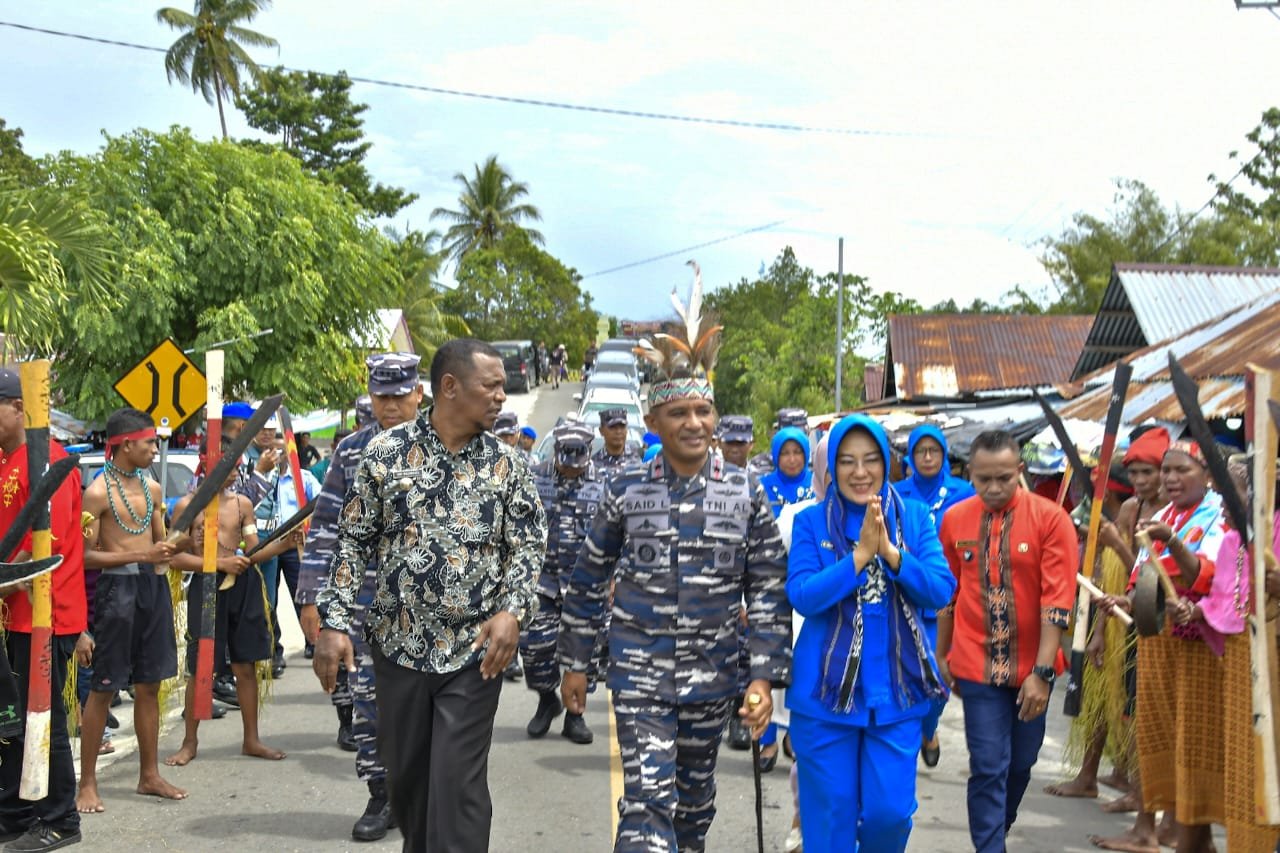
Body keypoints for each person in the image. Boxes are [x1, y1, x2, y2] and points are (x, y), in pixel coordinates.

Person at [559, 290, 790, 853]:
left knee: (693, 807)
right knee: (647, 804)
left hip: (714, 676)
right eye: (680, 413)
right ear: (653, 418)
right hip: (639, 673)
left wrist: (762, 676)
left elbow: (766, 588)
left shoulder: (744, 492)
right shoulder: (623, 490)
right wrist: (575, 664)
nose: (695, 422)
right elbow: (588, 581)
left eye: (703, 411)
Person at [313, 338, 546, 853]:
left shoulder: (508, 467)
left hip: (473, 655)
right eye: (491, 386)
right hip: (398, 650)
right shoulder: (383, 454)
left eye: (502, 387)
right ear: (449, 387)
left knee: (457, 786)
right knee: (412, 789)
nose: (501, 397)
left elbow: (528, 546)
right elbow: (352, 540)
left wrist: (512, 610)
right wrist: (332, 622)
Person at [786, 415, 954, 852]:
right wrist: (858, 557)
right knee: (830, 820)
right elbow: (803, 595)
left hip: (896, 696)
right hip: (825, 698)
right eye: (846, 462)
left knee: (891, 815)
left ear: (886, 463)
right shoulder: (810, 523)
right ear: (831, 469)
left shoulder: (915, 518)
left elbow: (939, 589)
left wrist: (892, 557)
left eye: (870, 460)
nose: (859, 473)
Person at [295, 353, 423, 843]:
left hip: (431, 611)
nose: (389, 407)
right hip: (364, 603)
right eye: (380, 397)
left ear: (417, 393)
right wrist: (312, 600)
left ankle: (421, 794)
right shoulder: (350, 452)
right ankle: (380, 793)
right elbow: (325, 526)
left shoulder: (444, 447)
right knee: (369, 704)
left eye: (398, 396)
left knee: (427, 710)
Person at [936, 429, 1077, 853]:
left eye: (1003, 478)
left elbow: (1057, 600)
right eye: (984, 480)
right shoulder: (955, 519)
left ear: (1019, 471)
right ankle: (990, 847)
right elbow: (949, 593)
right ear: (971, 476)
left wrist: (1041, 672)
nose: (994, 488)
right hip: (976, 664)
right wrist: (943, 651)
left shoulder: (1052, 520)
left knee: (1020, 765)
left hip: (1035, 665)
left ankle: (997, 832)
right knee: (988, 765)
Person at [1099, 440, 1229, 853]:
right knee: (1157, 737)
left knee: (1192, 741)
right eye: (1167, 470)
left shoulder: (1218, 518)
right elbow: (1145, 579)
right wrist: (1126, 599)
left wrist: (1172, 543)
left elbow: (1206, 579)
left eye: (1181, 470)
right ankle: (1161, 831)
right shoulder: (1166, 514)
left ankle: (1192, 836)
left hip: (1196, 649)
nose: (1171, 479)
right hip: (1159, 642)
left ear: (1207, 473)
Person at [164, 435, 295, 767]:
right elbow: (174, 559)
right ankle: (189, 741)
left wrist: (281, 546)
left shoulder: (242, 505)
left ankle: (251, 739)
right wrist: (218, 564)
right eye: (232, 465)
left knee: (246, 665)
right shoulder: (187, 506)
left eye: (238, 465)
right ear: (210, 465)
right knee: (201, 666)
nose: (238, 471)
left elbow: (251, 552)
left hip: (243, 587)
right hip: (206, 589)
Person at [77, 408, 183, 815]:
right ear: (124, 445)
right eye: (148, 443)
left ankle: (149, 774)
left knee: (150, 684)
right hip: (115, 590)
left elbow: (161, 547)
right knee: (104, 687)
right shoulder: (97, 493)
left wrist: (183, 545)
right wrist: (145, 552)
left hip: (151, 589)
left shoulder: (153, 489)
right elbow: (85, 557)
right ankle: (87, 783)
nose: (155, 450)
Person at [0, 368, 86, 851]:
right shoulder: (3, 461)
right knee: (10, 718)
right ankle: (15, 812)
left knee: (43, 718)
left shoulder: (47, 462)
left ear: (18, 407)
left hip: (45, 616)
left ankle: (60, 818)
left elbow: (43, 552)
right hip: (11, 614)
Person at [1086, 425, 1173, 852]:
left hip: (1169, 629)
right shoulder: (1132, 509)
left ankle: (1159, 819)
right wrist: (1100, 630)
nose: (1141, 481)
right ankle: (1148, 811)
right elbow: (1121, 577)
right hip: (1139, 623)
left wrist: (1118, 543)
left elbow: (1151, 574)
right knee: (1139, 719)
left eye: (1149, 472)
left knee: (1161, 724)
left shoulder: (1179, 515)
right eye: (1135, 472)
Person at [893, 423, 975, 768]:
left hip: (950, 599)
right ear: (910, 456)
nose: (927, 457)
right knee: (912, 675)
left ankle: (929, 727)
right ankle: (909, 740)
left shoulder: (965, 492)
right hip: (908, 595)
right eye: (921, 451)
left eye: (934, 451)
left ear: (944, 455)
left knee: (941, 680)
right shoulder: (896, 493)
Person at [522, 423, 604, 745]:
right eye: (564, 460)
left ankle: (575, 716)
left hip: (585, 585)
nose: (569, 468)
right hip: (542, 582)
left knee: (583, 656)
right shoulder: (535, 477)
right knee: (532, 647)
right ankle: (547, 699)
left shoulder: (604, 484)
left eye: (576, 461)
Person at [756, 425, 815, 769]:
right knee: (770, 665)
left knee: (800, 666)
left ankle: (793, 735)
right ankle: (767, 741)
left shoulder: (816, 489)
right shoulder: (763, 488)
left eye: (798, 452)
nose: (792, 460)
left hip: (808, 592)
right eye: (785, 453)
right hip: (775, 588)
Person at [254, 435, 321, 677]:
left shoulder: (303, 479)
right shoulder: (259, 479)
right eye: (272, 451)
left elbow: (322, 506)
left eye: (281, 450)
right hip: (267, 545)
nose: (277, 455)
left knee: (302, 596)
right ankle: (273, 651)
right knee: (267, 601)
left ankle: (315, 642)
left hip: (295, 546)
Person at [592, 408, 637, 478]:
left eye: (622, 427)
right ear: (601, 431)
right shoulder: (594, 464)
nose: (618, 432)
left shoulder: (640, 458)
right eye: (612, 427)